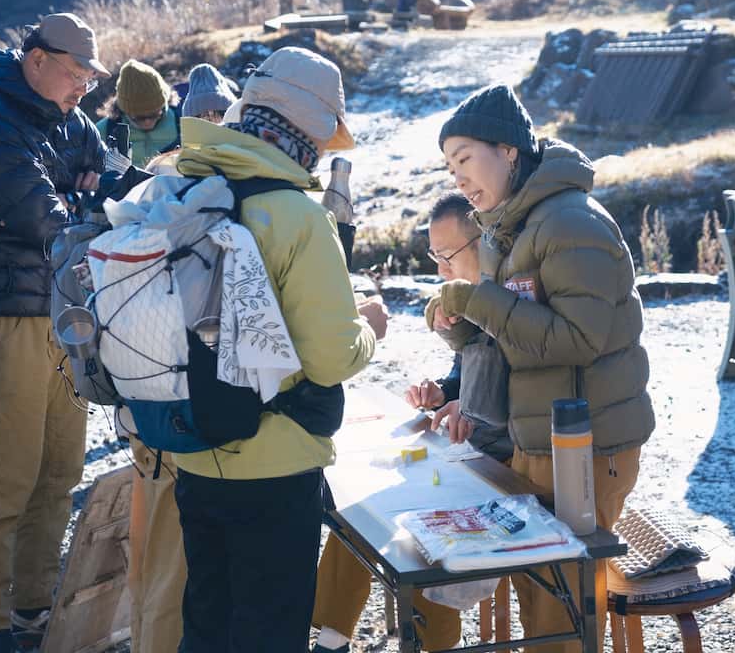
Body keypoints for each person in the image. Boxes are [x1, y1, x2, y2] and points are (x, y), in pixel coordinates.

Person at [171, 46, 378, 653]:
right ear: (311, 136)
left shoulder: (183, 188)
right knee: (270, 631)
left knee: (208, 621)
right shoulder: (296, 215)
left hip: (193, 449)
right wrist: (367, 326)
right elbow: (331, 358)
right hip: (276, 460)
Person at [433, 83, 654, 653]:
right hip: (538, 438)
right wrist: (462, 324)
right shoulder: (511, 228)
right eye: (448, 166)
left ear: (508, 151)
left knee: (564, 612)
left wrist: (476, 301)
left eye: (464, 160)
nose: (456, 178)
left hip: (588, 442)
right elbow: (521, 328)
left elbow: (578, 339)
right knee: (543, 603)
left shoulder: (570, 223)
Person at [0, 12, 109, 653]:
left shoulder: (71, 118)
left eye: (90, 82)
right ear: (36, 60)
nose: (83, 90)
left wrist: (85, 197)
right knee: (5, 474)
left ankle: (34, 608)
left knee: (59, 470)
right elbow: (45, 218)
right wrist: (81, 199)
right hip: (1, 313)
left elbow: (116, 183)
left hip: (62, 314)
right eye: (76, 75)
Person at [312, 193, 509, 653]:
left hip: (501, 459)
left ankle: (428, 640)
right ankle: (333, 634)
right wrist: (444, 391)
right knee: (360, 506)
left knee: (424, 539)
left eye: (447, 256)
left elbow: (525, 378)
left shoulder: (509, 292)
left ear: (481, 240)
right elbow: (469, 371)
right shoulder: (470, 294)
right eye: (434, 256)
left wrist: (469, 404)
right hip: (464, 449)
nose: (441, 270)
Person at [96, 58, 180, 167]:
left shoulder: (183, 125)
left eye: (154, 114)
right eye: (139, 117)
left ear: (164, 103)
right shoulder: (103, 132)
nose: (147, 122)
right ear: (124, 110)